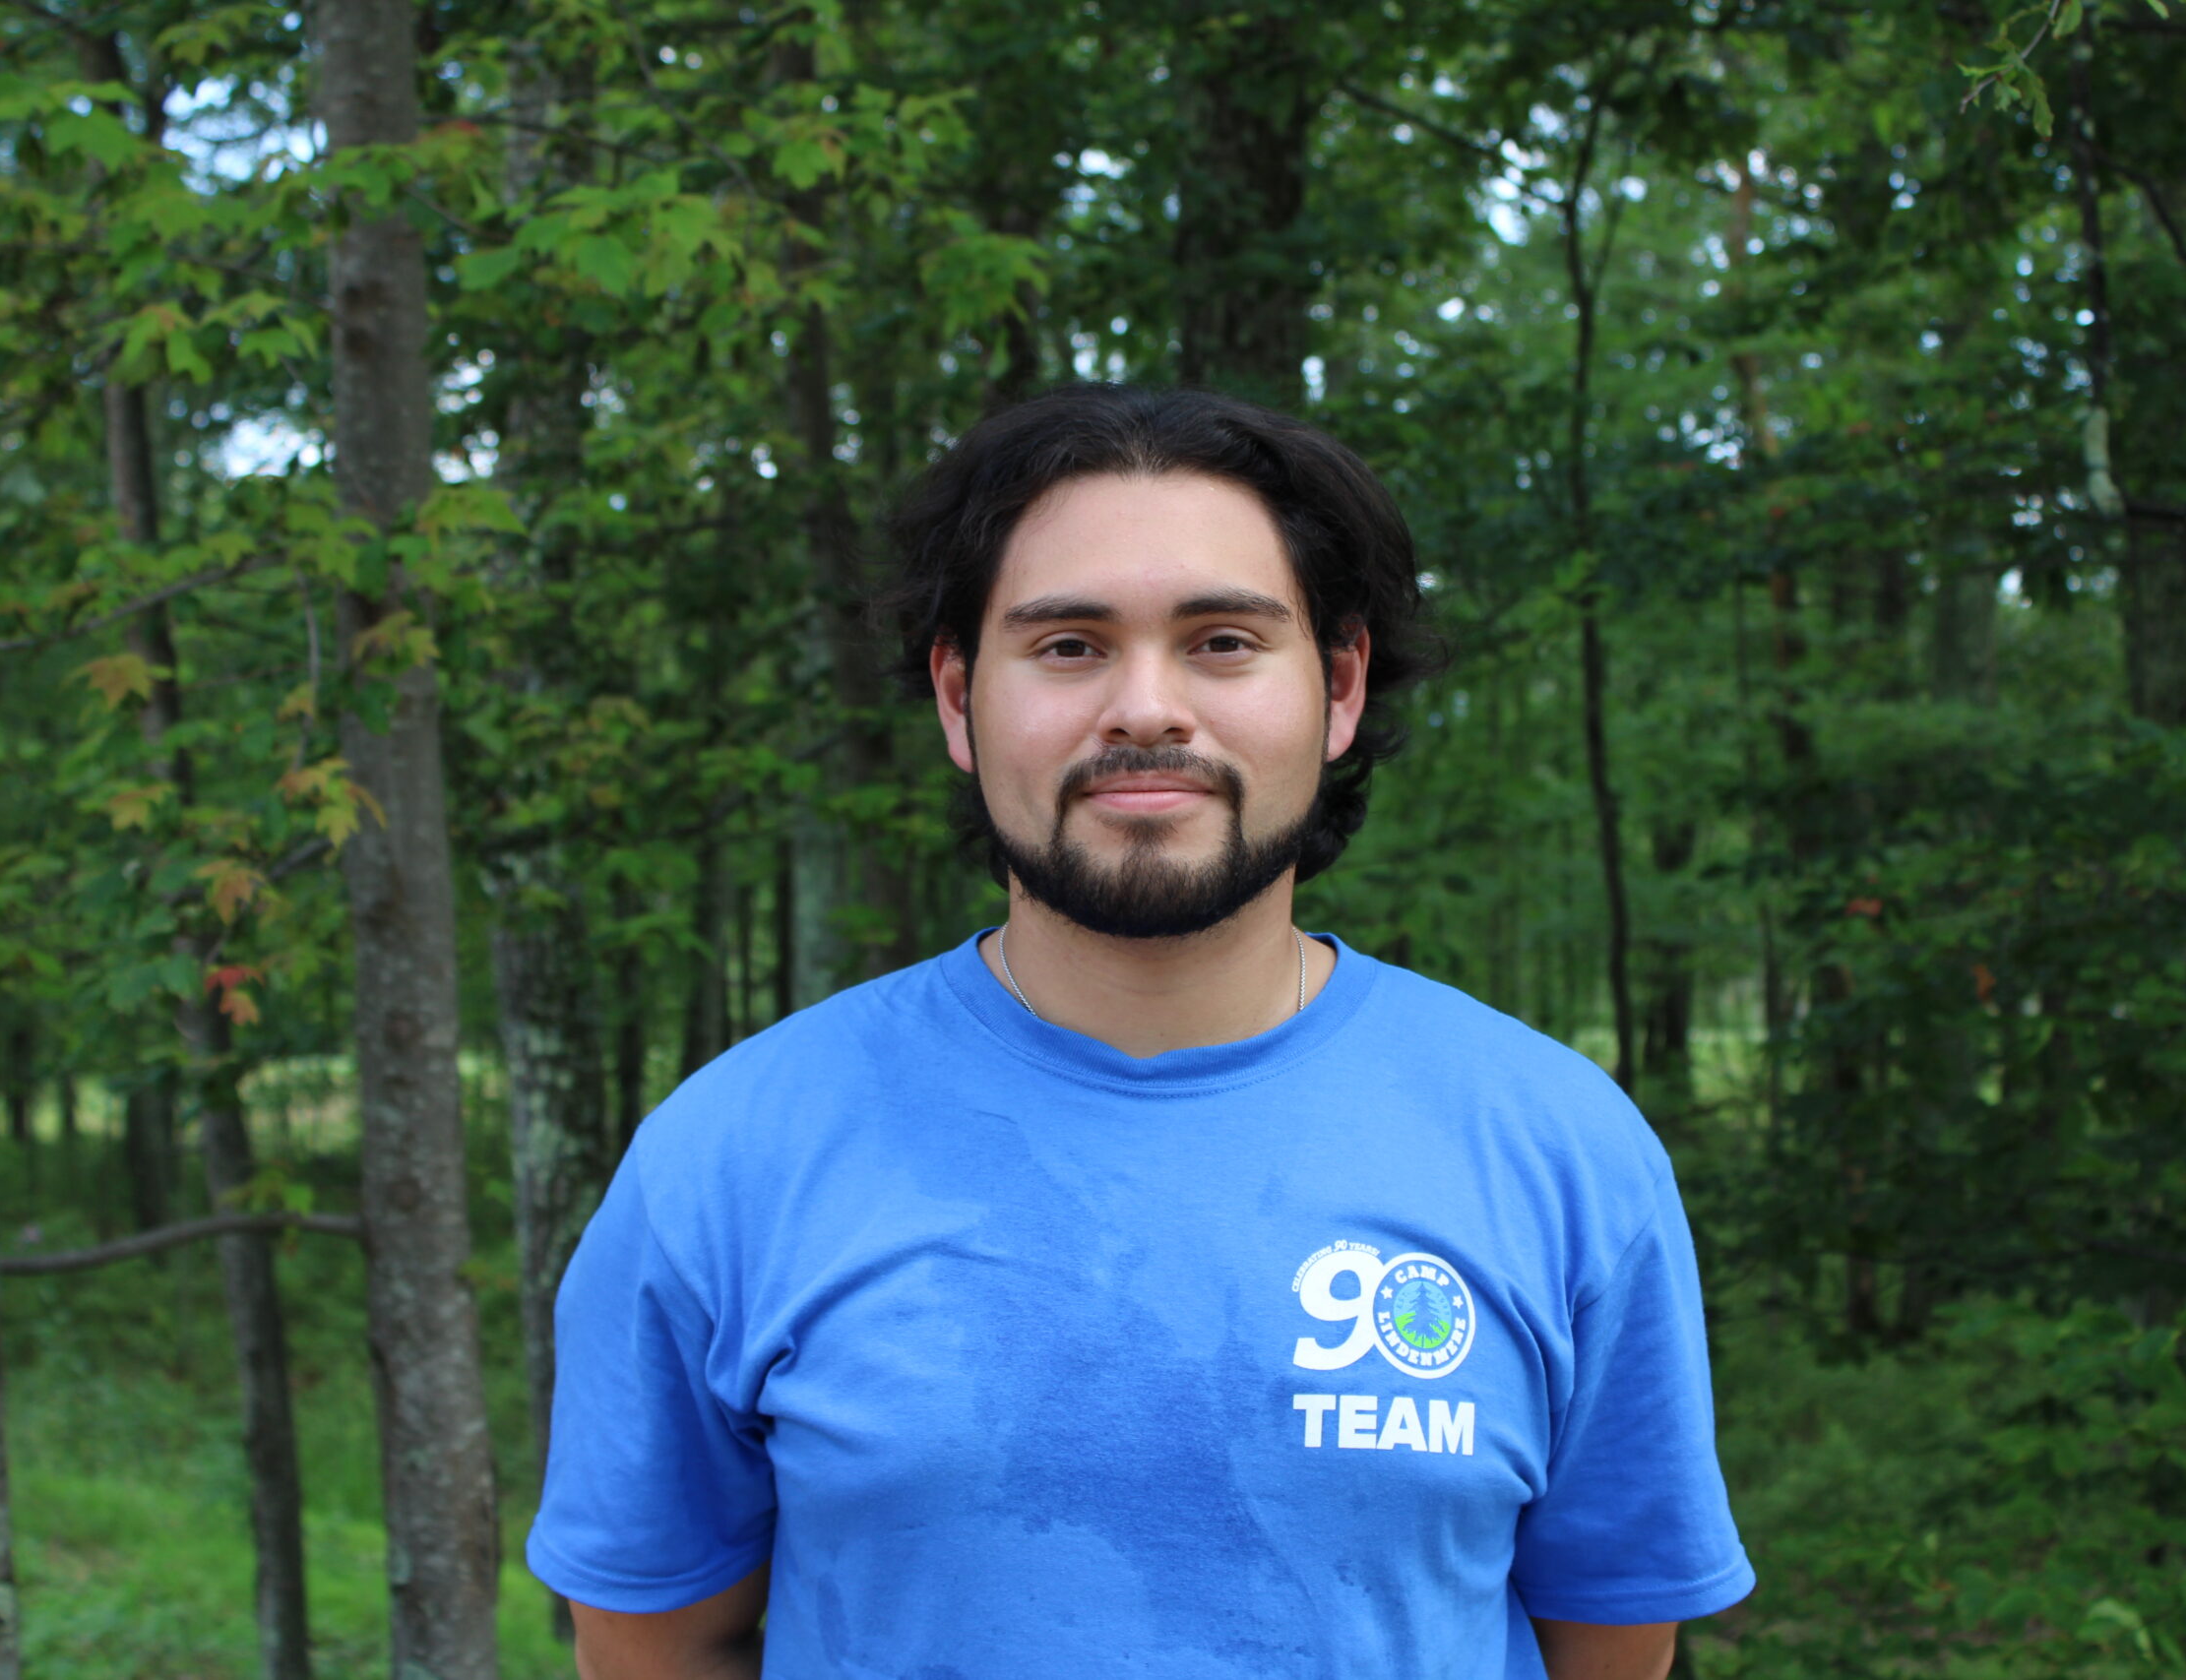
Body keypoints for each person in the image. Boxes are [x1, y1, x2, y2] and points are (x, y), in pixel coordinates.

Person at [526, 385, 1754, 1679]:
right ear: (958, 697)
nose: (1147, 709)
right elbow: (655, 1647)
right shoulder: (731, 1158)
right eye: (1070, 646)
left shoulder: (1559, 1151)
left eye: (1223, 641)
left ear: (1338, 689)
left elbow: (1610, 1644)